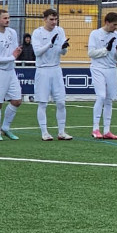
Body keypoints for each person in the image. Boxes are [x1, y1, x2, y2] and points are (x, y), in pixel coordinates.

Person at [32, 8, 72, 141]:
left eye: (55, 19)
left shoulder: (60, 31)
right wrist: (50, 43)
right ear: (45, 19)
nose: (54, 22)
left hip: (56, 69)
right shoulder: (37, 33)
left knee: (61, 102)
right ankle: (44, 132)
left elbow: (63, 53)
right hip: (43, 70)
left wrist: (64, 47)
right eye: (51, 19)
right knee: (43, 102)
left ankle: (61, 132)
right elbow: (37, 52)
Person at [0, 8, 23, 141]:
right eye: (5, 18)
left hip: (10, 71)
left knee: (17, 100)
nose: (8, 20)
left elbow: (14, 51)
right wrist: (12, 57)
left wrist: (16, 53)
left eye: (8, 18)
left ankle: (5, 127)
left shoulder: (12, 32)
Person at [87, 12, 117, 140]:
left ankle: (107, 130)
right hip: (98, 68)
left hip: (111, 68)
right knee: (101, 96)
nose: (115, 27)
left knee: (109, 99)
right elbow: (91, 53)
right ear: (107, 22)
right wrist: (105, 50)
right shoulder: (95, 34)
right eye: (114, 25)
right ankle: (95, 128)